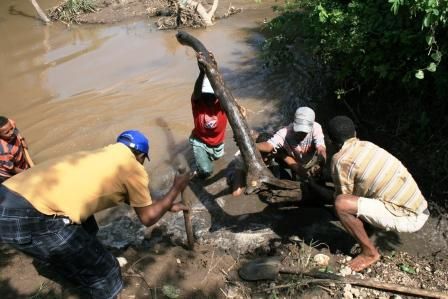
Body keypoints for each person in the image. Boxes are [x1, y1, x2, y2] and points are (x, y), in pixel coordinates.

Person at [0, 130, 190, 298]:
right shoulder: (133, 168)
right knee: (107, 271)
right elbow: (148, 218)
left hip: (7, 195)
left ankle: (75, 267)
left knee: (88, 225)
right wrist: (176, 188)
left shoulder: (100, 155)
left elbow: (132, 198)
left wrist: (165, 204)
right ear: (140, 156)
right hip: (29, 216)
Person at [327, 116, 429, 272]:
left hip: (410, 217)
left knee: (341, 205)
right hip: (420, 205)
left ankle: (369, 253)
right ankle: (371, 227)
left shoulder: (340, 159)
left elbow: (344, 196)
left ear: (331, 141)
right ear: (354, 133)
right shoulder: (367, 145)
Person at [256, 107, 327, 180]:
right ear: (294, 124)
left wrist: (320, 162)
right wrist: (251, 145)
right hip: (295, 163)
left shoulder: (316, 128)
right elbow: (268, 146)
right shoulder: (284, 133)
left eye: (304, 132)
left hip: (311, 161)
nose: (301, 134)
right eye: (299, 131)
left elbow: (321, 148)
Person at [189, 53, 228, 179]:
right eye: (205, 95)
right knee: (206, 171)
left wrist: (214, 67)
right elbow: (196, 92)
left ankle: (206, 159)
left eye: (211, 95)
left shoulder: (222, 103)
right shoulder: (198, 104)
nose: (208, 98)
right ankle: (198, 171)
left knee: (217, 158)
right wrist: (201, 73)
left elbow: (222, 88)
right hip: (200, 141)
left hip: (218, 143)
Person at [0, 116, 34, 183]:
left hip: (17, 159)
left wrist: (21, 140)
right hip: (8, 174)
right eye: (7, 132)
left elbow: (15, 130)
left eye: (11, 129)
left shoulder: (9, 125)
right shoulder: (3, 151)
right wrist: (28, 173)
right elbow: (12, 169)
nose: (11, 132)